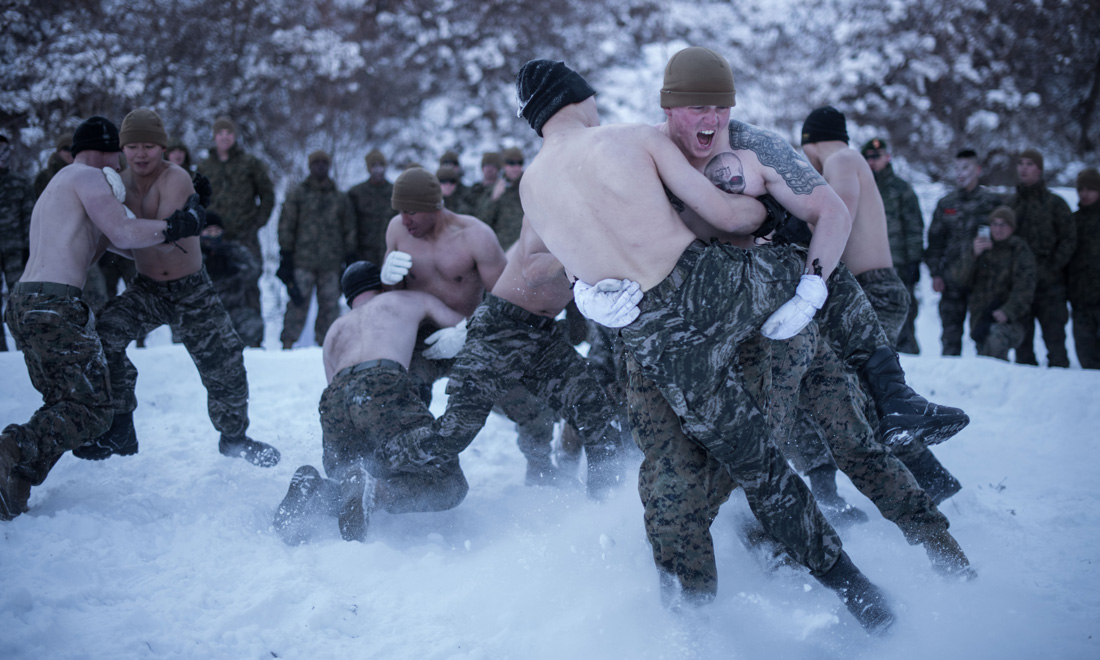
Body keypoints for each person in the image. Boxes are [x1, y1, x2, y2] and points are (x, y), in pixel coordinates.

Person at [515, 58, 896, 633]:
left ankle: (693, 624)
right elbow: (722, 211)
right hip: (709, 287)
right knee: (803, 259)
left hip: (652, 336)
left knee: (750, 467)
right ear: (582, 100)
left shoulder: (530, 185)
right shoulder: (631, 138)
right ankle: (861, 583)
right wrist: (764, 210)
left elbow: (540, 268)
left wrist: (583, 286)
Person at [639, 48, 969, 596]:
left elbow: (832, 212)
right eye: (697, 106)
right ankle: (766, 564)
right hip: (734, 348)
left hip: (798, 328)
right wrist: (587, 285)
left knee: (856, 441)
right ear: (669, 108)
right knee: (750, 459)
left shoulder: (755, 145)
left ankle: (944, 550)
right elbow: (594, 217)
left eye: (720, 106)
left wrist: (813, 288)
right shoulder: (644, 158)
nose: (711, 120)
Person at [1, 115, 205, 520]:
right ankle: (11, 450)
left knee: (65, 402)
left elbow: (125, 244)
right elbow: (129, 233)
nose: (125, 164)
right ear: (106, 151)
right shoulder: (88, 176)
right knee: (93, 409)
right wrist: (173, 225)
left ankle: (16, 479)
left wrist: (182, 222)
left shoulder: (59, 187)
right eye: (121, 154)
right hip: (54, 305)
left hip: (26, 302)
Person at [72, 108, 280, 468]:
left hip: (191, 289)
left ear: (163, 148)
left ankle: (234, 437)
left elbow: (167, 241)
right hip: (148, 288)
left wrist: (180, 222)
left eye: (149, 146)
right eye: (132, 146)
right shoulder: (116, 185)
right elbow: (113, 239)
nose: (140, 154)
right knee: (105, 334)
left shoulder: (176, 178)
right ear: (122, 148)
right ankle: (121, 421)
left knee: (226, 364)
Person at [389, 216, 630, 499]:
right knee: (454, 431)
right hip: (500, 327)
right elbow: (531, 269)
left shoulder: (610, 221)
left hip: (543, 334)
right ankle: (380, 460)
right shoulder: (549, 200)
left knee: (594, 410)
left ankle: (604, 504)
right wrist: (585, 261)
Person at [272, 261, 470, 545]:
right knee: (450, 484)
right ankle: (375, 491)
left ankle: (315, 490)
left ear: (348, 296)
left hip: (336, 398)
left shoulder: (335, 330)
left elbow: (336, 391)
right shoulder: (407, 299)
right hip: (382, 382)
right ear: (382, 283)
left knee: (349, 473)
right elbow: (462, 325)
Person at [196, 116, 275, 346]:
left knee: (250, 281)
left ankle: (253, 338)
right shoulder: (205, 166)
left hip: (243, 236)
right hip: (211, 237)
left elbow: (267, 194)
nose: (224, 137)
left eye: (228, 133)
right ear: (214, 137)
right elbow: (195, 198)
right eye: (220, 133)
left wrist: (257, 222)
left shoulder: (250, 163)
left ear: (234, 136)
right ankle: (213, 336)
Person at [926, 149, 1005, 356]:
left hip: (983, 281)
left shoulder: (993, 202)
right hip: (952, 280)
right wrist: (935, 273)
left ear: (978, 169)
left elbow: (1006, 239)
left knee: (983, 337)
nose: (960, 173)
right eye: (957, 168)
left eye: (966, 167)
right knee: (950, 339)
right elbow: (935, 243)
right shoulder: (946, 204)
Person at [276, 149, 356, 349]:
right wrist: (285, 255)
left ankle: (328, 346)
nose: (320, 166)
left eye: (324, 163)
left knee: (329, 306)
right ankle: (287, 344)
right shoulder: (298, 195)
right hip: (302, 261)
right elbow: (286, 225)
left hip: (331, 263)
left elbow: (349, 229)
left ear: (328, 166)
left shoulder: (339, 197)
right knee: (297, 303)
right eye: (316, 163)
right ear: (310, 166)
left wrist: (350, 256)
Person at [1006, 148, 1075, 367]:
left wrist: (1052, 268)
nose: (1023, 168)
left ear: (1040, 170)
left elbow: (1069, 240)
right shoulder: (1011, 206)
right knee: (1023, 351)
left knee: (1056, 346)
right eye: (1020, 163)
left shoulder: (1055, 204)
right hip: (1020, 290)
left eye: (1029, 164)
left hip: (1050, 288)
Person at [862, 137, 924, 354]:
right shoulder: (859, 187)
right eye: (867, 157)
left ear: (887, 158)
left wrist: (914, 260)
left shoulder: (901, 189)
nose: (872, 162)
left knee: (904, 313)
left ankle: (909, 355)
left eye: (876, 157)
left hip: (898, 263)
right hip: (867, 265)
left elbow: (914, 226)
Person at [951, 207, 1037, 360]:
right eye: (995, 224)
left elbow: (1025, 288)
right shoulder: (981, 247)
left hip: (1011, 320)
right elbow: (960, 279)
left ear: (1012, 227)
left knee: (996, 341)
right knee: (984, 358)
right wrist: (973, 256)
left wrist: (1007, 311)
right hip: (981, 318)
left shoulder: (1019, 249)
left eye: (1004, 224)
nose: (998, 229)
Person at [200, 212, 264, 348]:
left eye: (217, 231)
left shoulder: (233, 250)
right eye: (208, 231)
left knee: (253, 324)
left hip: (232, 310)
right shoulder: (193, 253)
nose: (213, 235)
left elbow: (255, 270)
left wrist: (234, 268)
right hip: (202, 312)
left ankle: (250, 354)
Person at [0, 134, 35, 352]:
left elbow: (29, 219)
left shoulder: (20, 183)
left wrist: (29, 251)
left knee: (20, 302)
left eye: (4, 151)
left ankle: (25, 348)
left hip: (16, 253)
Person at [1067, 168, 1100, 368]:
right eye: (1081, 189)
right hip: (1080, 302)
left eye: (1090, 189)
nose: (1084, 194)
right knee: (1086, 357)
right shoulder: (1073, 221)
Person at [346, 148, 393, 266]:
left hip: (390, 252)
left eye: (381, 165)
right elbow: (350, 224)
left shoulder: (395, 192)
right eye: (374, 166)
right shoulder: (356, 193)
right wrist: (350, 251)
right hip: (364, 253)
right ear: (368, 168)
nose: (378, 170)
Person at [480, 146, 526, 249]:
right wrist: (494, 199)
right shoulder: (494, 189)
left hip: (528, 246)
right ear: (504, 165)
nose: (515, 167)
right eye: (511, 163)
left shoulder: (529, 185)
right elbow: (483, 222)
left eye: (519, 163)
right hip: (504, 247)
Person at [33, 131, 73, 199]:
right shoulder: (45, 177)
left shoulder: (85, 174)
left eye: (74, 148)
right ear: (59, 151)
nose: (71, 152)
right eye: (67, 148)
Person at [468, 151, 502, 218]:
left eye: (493, 165)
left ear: (498, 168)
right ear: (482, 167)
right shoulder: (474, 191)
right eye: (486, 165)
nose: (489, 168)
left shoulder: (502, 190)